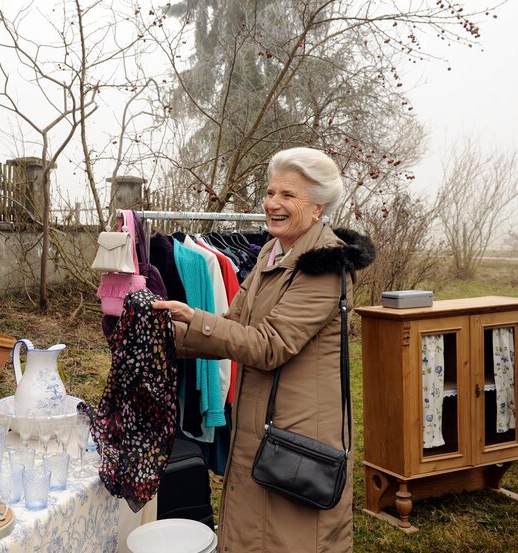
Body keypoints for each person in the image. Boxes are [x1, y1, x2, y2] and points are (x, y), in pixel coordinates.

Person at [153, 147, 375, 552]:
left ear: (318, 205)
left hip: (298, 438)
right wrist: (161, 337)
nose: (273, 203)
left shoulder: (324, 269)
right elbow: (234, 328)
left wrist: (193, 317)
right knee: (251, 532)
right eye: (271, 192)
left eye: (288, 195)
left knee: (288, 538)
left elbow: (270, 345)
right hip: (263, 425)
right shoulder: (272, 254)